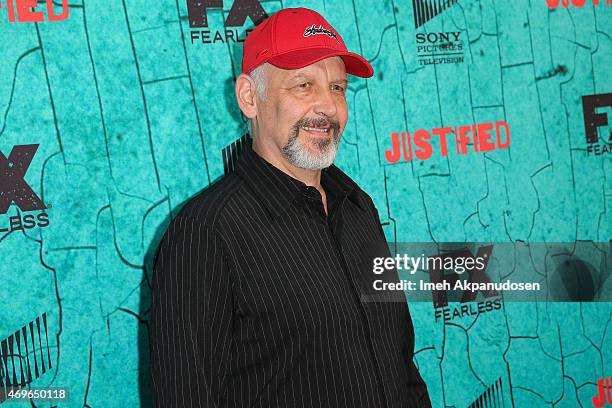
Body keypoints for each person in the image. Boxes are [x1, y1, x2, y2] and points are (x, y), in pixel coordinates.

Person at [149, 7, 431, 408]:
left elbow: (401, 367)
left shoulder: (357, 207)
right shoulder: (205, 232)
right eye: (303, 85)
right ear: (249, 97)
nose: (328, 107)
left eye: (337, 87)